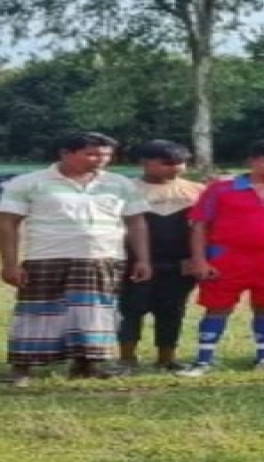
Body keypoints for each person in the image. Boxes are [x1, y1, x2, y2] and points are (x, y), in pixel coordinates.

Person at [0, 132, 152, 386]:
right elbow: (7, 224)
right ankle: (21, 369)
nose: (100, 160)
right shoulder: (29, 183)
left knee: (95, 311)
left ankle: (87, 365)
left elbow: (137, 223)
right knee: (37, 312)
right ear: (65, 153)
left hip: (103, 257)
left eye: (106, 156)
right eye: (91, 154)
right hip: (46, 257)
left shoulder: (121, 184)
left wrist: (143, 259)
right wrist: (10, 264)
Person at [176, 139, 264, 377]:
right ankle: (204, 360)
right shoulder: (221, 189)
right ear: (252, 161)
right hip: (227, 258)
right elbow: (199, 225)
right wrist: (199, 260)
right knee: (217, 307)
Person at [117, 140, 204, 373]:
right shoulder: (125, 188)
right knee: (131, 309)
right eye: (167, 163)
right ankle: (127, 358)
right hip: (135, 262)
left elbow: (204, 228)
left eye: (181, 163)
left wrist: (198, 258)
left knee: (173, 310)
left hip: (180, 263)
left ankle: (166, 358)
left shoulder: (196, 190)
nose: (175, 167)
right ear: (145, 162)